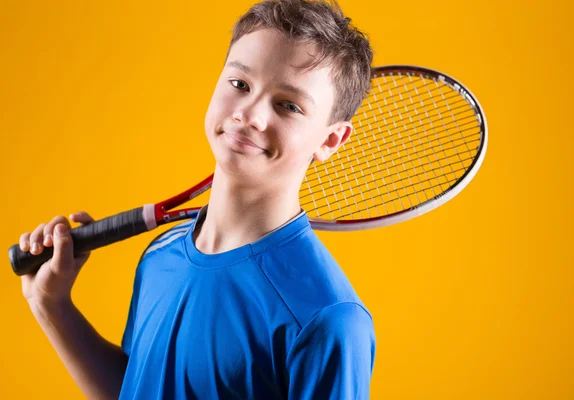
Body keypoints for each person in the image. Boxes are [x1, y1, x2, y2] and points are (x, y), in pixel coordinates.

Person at [19, 0, 375, 398]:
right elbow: (140, 389)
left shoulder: (327, 319)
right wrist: (51, 305)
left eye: (288, 106)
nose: (250, 114)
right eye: (240, 84)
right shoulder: (161, 254)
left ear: (329, 140)